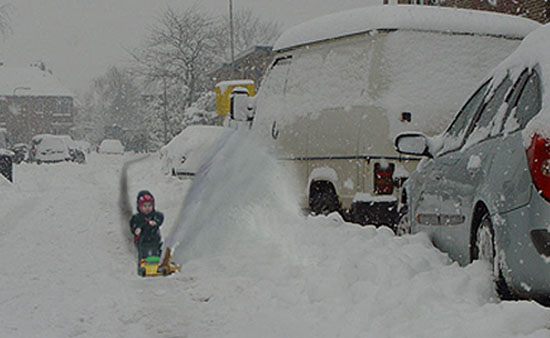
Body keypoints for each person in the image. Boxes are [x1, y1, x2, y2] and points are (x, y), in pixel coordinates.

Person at [130, 190, 164, 264]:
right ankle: (143, 264)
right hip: (142, 239)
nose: (147, 208)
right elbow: (133, 224)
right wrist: (136, 229)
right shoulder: (138, 217)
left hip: (154, 237)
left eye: (149, 205)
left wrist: (156, 222)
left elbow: (160, 217)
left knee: (156, 249)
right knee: (143, 252)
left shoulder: (154, 215)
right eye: (144, 206)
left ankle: (157, 262)